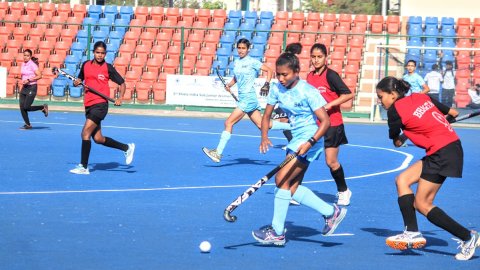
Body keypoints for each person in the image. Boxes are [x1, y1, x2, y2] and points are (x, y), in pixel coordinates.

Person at [376, 76, 479, 261]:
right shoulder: (421, 97)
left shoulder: (394, 111)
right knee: (402, 180)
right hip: (446, 148)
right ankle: (412, 231)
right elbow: (453, 113)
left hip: (442, 152)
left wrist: (406, 134)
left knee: (422, 204)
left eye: (381, 96)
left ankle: (468, 237)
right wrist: (441, 121)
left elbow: (397, 141)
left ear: (392, 94)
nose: (380, 101)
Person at [251, 51, 347, 246]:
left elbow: (325, 121)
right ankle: (331, 212)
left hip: (312, 138)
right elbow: (267, 115)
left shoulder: (308, 91)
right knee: (291, 187)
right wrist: (264, 136)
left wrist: (310, 142)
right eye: (278, 74)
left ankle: (277, 232)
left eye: (285, 74)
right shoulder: (277, 89)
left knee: (281, 179)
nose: (280, 78)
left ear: (296, 71)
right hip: (297, 138)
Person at [202, 38, 290, 163]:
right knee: (262, 125)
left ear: (248, 49)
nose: (241, 50)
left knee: (228, 123)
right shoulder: (237, 62)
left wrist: (266, 84)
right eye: (239, 48)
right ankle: (293, 126)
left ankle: (218, 152)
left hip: (248, 98)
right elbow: (237, 77)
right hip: (245, 98)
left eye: (243, 48)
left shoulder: (252, 62)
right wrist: (230, 85)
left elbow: (270, 71)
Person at [69, 41, 135, 175]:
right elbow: (79, 80)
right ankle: (126, 148)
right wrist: (76, 83)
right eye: (97, 52)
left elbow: (122, 84)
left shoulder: (108, 68)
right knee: (98, 138)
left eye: (102, 53)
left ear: (105, 54)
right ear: (93, 52)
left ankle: (83, 166)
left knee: (85, 133)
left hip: (100, 105)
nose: (100, 55)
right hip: (88, 104)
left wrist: (120, 98)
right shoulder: (86, 65)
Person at [304, 43, 354, 206]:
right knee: (302, 156)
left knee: (331, 162)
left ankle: (343, 191)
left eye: (320, 57)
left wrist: (329, 105)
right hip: (315, 125)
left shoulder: (331, 75)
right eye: (313, 56)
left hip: (332, 124)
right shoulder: (310, 77)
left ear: (326, 58)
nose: (316, 60)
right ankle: (294, 190)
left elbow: (348, 94)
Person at [16, 49, 48, 130]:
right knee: (22, 107)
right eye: (24, 55)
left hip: (32, 87)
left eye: (27, 56)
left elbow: (39, 75)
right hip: (25, 87)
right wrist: (18, 77)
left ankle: (42, 107)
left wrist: (29, 80)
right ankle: (28, 125)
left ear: (30, 56)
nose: (25, 57)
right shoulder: (23, 64)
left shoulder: (33, 65)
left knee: (26, 107)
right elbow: (25, 75)